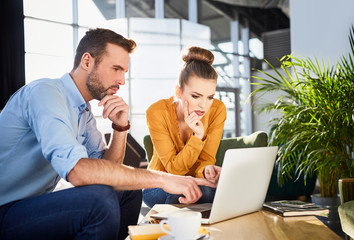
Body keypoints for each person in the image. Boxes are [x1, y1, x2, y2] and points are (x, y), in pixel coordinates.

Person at [0, 28, 215, 240]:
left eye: (124, 72)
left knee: (128, 190)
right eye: (116, 69)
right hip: (5, 209)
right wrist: (161, 179)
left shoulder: (83, 113)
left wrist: (120, 128)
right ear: (87, 61)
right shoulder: (45, 93)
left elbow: (109, 173)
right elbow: (78, 173)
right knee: (98, 201)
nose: (122, 80)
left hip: (28, 207)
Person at [143, 46, 227, 208]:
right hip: (160, 185)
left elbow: (206, 159)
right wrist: (197, 137)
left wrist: (207, 171)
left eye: (210, 97)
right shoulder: (157, 112)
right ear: (179, 92)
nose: (203, 105)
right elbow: (174, 171)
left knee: (212, 191)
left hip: (197, 182)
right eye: (196, 96)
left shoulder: (218, 109)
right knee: (189, 193)